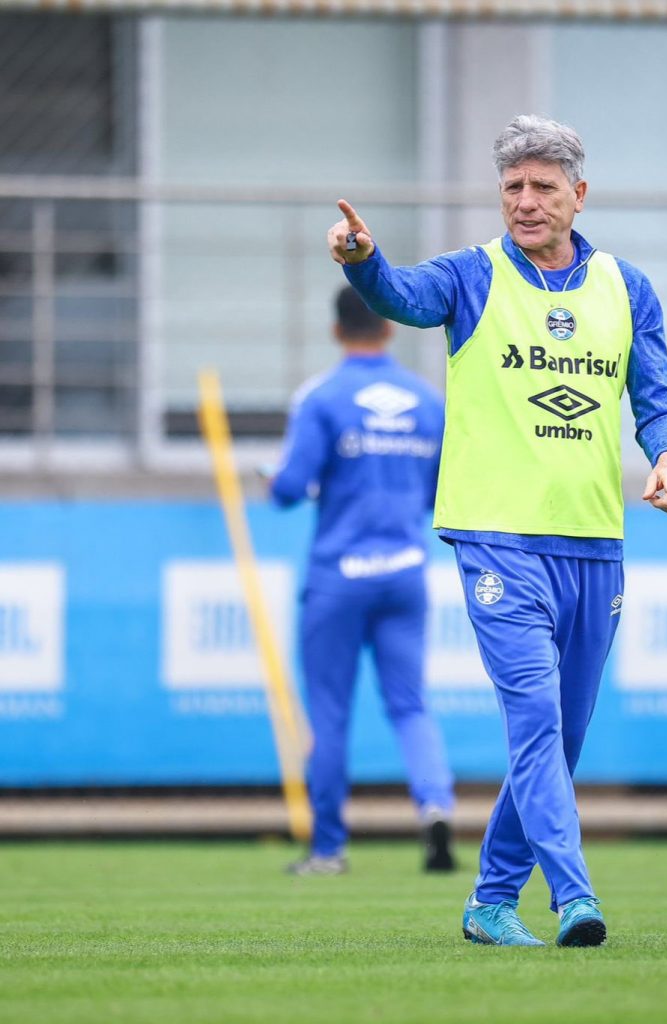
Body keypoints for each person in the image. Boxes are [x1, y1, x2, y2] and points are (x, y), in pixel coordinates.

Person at [327, 114, 667, 946]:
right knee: (531, 722)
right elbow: (402, 297)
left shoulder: (627, 289)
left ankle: (490, 902)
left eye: (542, 187)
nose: (524, 203)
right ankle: (573, 897)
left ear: (579, 194)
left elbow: (657, 395)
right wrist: (362, 262)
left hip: (593, 540)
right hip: (496, 539)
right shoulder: (472, 275)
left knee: (562, 737)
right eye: (512, 188)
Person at [269, 285, 456, 876]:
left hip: (339, 577)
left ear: (335, 331)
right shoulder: (428, 402)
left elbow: (288, 489)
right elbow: (435, 494)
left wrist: (271, 479)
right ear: (391, 328)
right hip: (405, 570)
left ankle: (328, 849)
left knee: (329, 712)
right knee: (410, 705)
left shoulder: (321, 398)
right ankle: (435, 808)